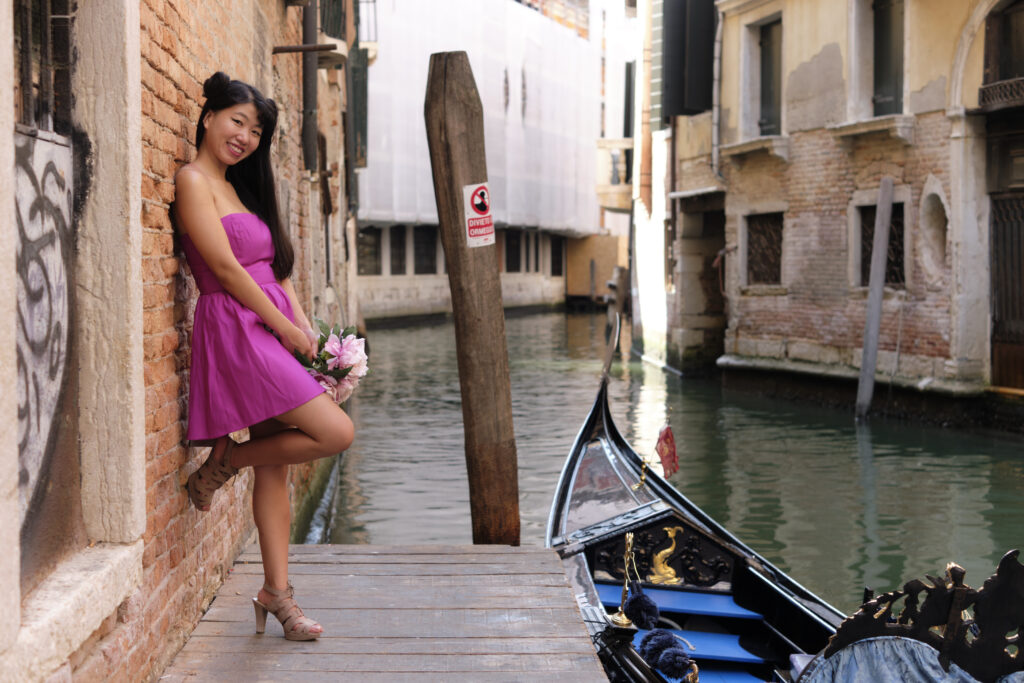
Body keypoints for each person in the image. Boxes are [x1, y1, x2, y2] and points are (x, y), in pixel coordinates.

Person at [173, 72, 354, 641]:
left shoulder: (243, 188)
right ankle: (223, 465)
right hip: (235, 324)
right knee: (335, 432)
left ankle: (277, 594)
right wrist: (282, 327)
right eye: (237, 121)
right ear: (209, 117)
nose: (245, 136)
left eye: (255, 130)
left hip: (272, 325)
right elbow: (226, 270)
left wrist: (307, 333)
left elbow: (275, 269)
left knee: (273, 463)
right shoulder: (192, 180)